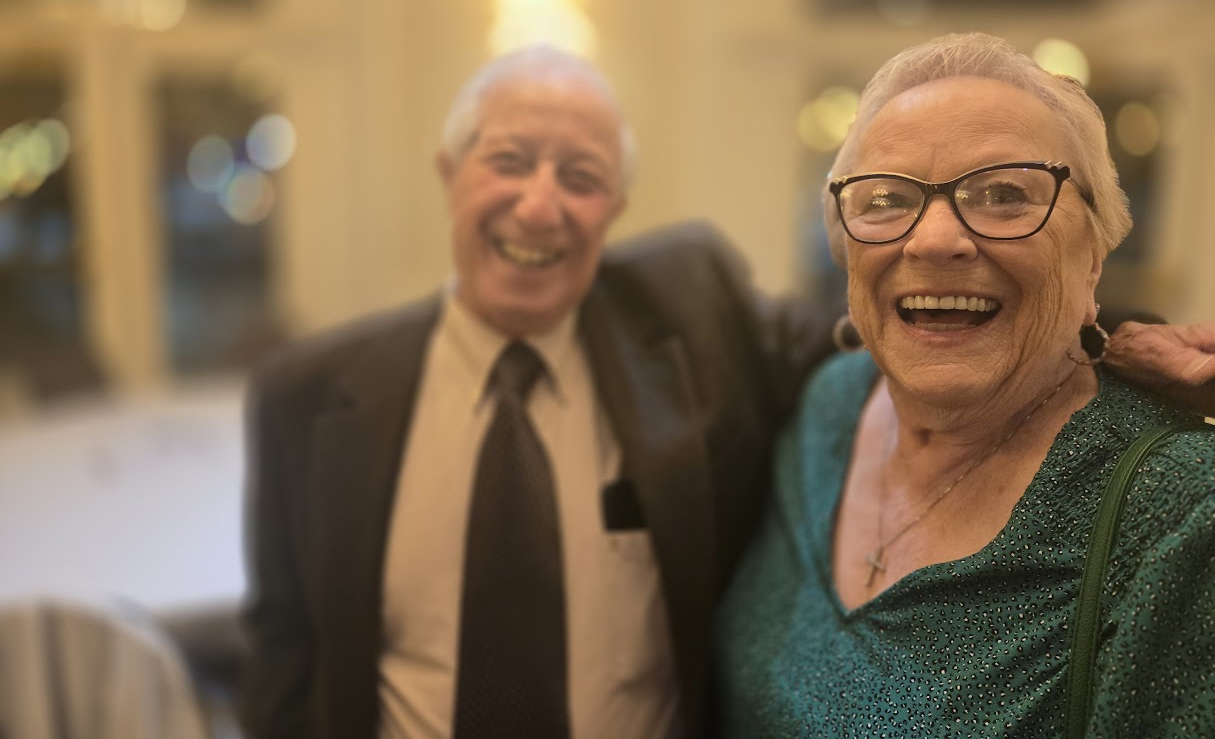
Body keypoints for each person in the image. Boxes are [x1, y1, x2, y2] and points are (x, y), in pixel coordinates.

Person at [239, 43, 1214, 739]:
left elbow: (949, 315)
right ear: (451, 175)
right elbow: (287, 659)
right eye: (508, 159)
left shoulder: (691, 313)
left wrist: (1118, 334)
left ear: (615, 208)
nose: (540, 201)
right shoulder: (305, 394)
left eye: (579, 173)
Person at [714, 32, 1215, 736]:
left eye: (1004, 194)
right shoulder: (830, 403)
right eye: (887, 199)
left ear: (1093, 251)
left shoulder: (1181, 515)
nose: (933, 240)